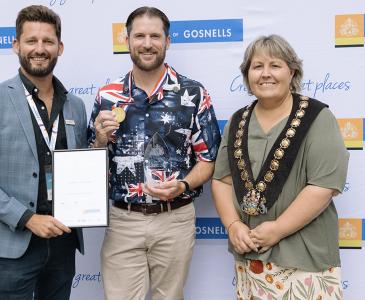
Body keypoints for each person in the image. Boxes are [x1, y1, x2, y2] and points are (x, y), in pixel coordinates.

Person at [87, 6, 221, 300]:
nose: (147, 43)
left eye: (154, 36)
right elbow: (91, 163)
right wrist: (98, 140)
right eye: (140, 36)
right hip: (124, 219)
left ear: (167, 41)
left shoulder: (193, 93)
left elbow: (209, 159)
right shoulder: (107, 96)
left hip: (175, 219)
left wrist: (184, 185)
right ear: (127, 40)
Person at [212, 35, 349, 300]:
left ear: (292, 71)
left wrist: (277, 229)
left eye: (275, 65)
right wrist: (232, 226)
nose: (265, 74)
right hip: (250, 256)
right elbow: (222, 180)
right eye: (257, 66)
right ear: (247, 74)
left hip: (304, 256)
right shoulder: (238, 121)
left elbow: (324, 185)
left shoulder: (317, 118)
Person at [0, 5, 87, 300]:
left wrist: (100, 139)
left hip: (63, 242)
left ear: (60, 48)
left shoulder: (76, 105)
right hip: (14, 245)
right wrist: (26, 217)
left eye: (48, 41)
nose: (40, 49)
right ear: (16, 46)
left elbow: (82, 168)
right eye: (31, 41)